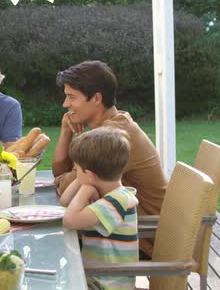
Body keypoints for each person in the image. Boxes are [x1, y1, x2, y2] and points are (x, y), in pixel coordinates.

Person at [52, 60, 167, 256]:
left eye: (72, 97)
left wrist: (66, 179)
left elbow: (63, 185)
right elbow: (62, 176)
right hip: (118, 228)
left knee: (52, 246)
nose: (65, 104)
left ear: (96, 98)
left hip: (139, 239)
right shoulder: (110, 127)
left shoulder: (113, 137)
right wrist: (66, 131)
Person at [61, 127, 138, 290]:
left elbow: (70, 220)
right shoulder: (109, 195)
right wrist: (83, 179)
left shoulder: (117, 201)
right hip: (94, 276)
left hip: (106, 284)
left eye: (76, 169)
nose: (75, 173)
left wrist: (85, 188)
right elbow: (65, 201)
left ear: (90, 175)